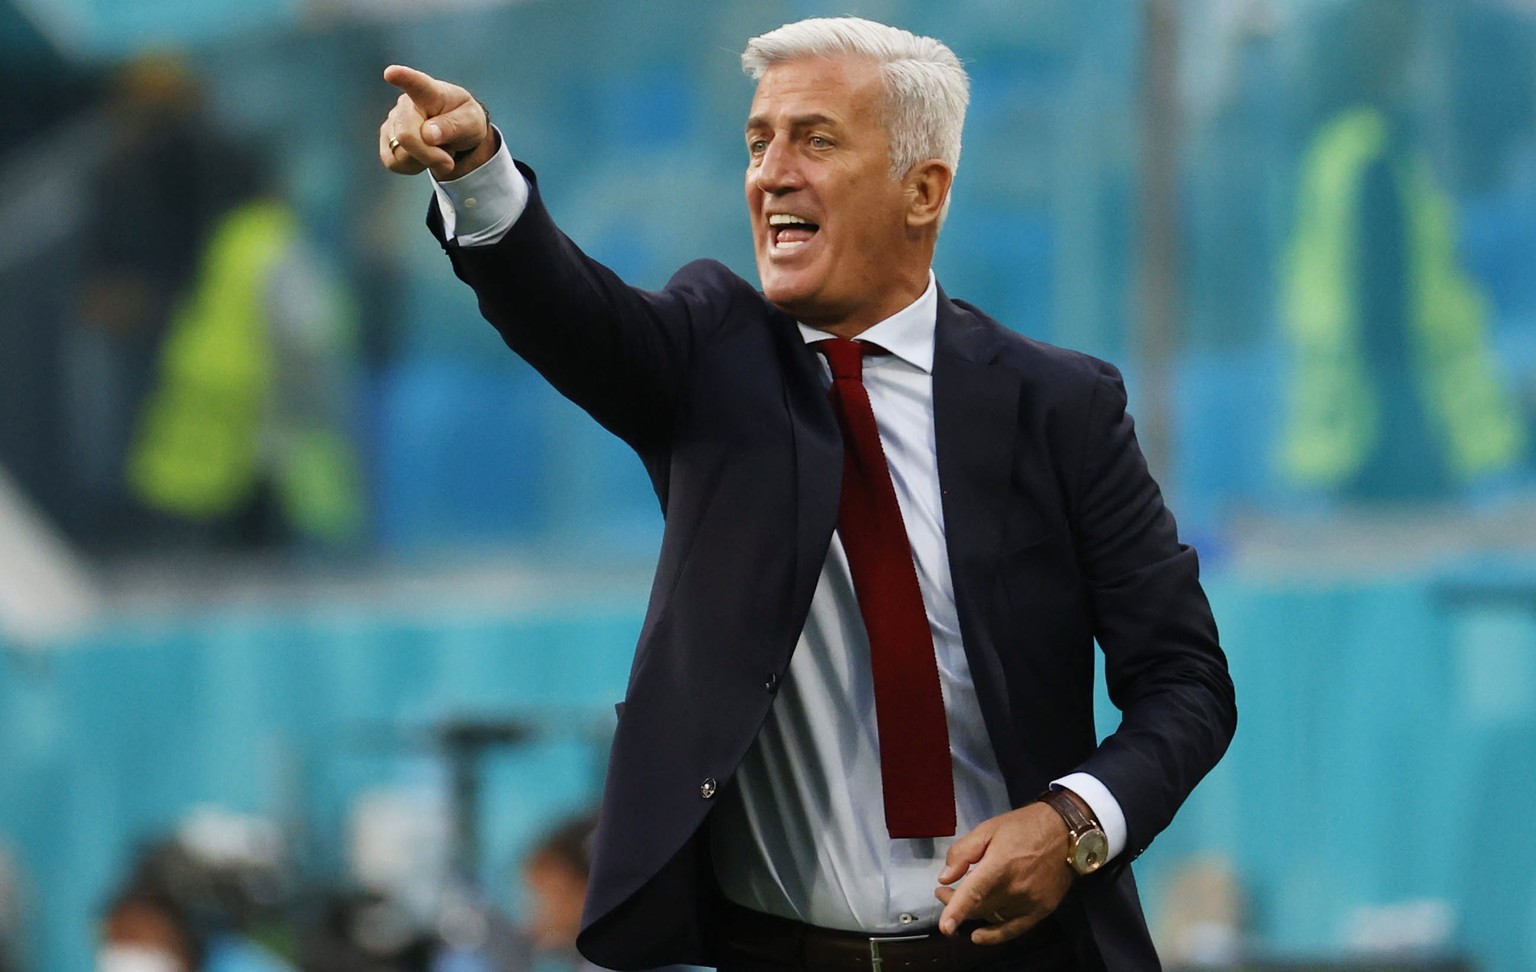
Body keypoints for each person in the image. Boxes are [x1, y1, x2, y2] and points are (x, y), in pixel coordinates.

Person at [378, 16, 1235, 971]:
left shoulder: (1060, 406)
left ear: (924, 191)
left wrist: (1073, 821)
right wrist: (476, 169)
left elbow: (1186, 684)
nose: (770, 172)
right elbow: (571, 311)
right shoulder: (712, 359)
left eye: (815, 139)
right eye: (757, 142)